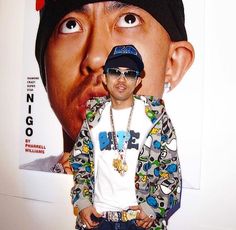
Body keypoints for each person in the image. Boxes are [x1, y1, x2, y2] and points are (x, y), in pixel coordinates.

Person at [21, 0, 193, 173]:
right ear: (44, 66)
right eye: (70, 25)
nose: (96, 58)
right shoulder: (18, 185)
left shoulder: (185, 196)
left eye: (129, 20)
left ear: (173, 63)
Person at [70, 44, 182, 230]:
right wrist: (82, 201)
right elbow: (80, 162)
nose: (122, 79)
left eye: (129, 73)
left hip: (141, 222)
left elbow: (171, 171)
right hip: (98, 219)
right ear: (105, 78)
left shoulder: (155, 117)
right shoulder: (93, 118)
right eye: (115, 72)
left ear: (138, 80)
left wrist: (152, 207)